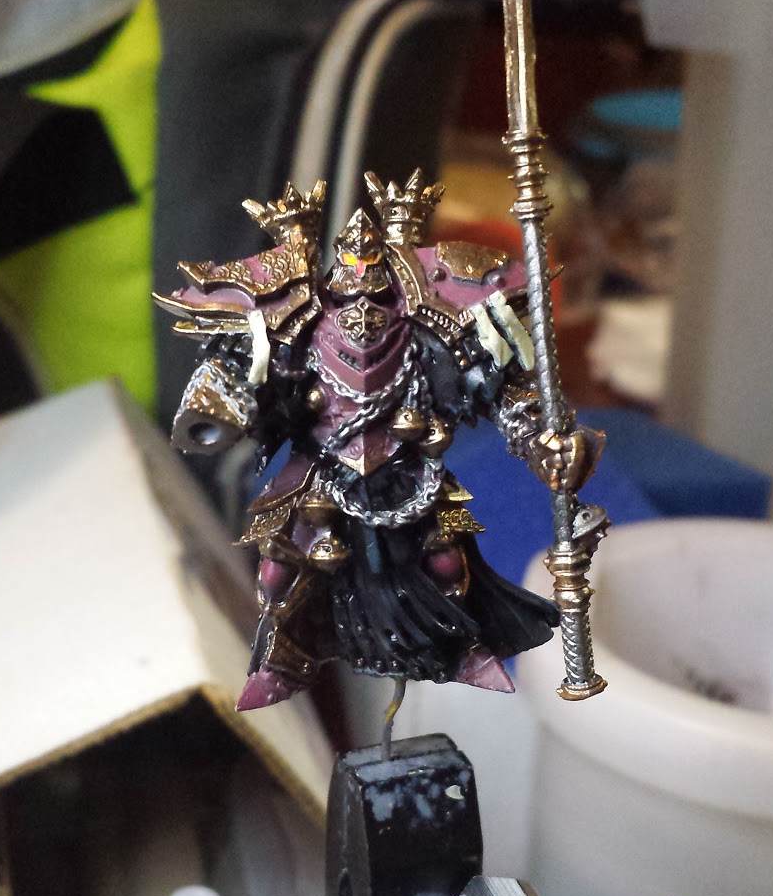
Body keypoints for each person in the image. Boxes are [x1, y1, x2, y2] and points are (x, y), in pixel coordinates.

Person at [155, 171, 603, 710]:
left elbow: (499, 388)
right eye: (350, 296)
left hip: (410, 469)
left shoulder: (429, 324)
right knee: (280, 568)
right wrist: (221, 403)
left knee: (443, 562)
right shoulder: (294, 323)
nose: (364, 316)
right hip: (321, 471)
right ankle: (282, 661)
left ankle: (458, 648)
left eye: (378, 296)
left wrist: (541, 439)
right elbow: (235, 372)